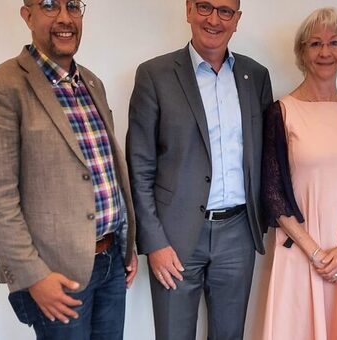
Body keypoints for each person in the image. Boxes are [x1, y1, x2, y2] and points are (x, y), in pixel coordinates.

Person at [0, 0, 138, 339]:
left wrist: (125, 243)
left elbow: (105, 170)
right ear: (27, 15)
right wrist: (32, 276)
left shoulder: (91, 83)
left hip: (111, 263)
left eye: (73, 6)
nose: (64, 17)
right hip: (56, 277)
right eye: (49, 5)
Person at [126, 0, 273, 338]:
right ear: (189, 10)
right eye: (205, 7)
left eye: (225, 11)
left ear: (236, 20)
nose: (214, 19)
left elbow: (265, 156)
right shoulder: (154, 75)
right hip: (173, 238)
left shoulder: (256, 76)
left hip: (238, 233)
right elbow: (140, 165)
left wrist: (261, 223)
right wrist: (154, 242)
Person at [261, 7, 337, 340]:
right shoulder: (281, 112)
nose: (325, 52)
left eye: (334, 43)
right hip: (299, 253)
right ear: (302, 52)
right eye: (315, 44)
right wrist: (315, 253)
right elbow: (273, 195)